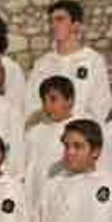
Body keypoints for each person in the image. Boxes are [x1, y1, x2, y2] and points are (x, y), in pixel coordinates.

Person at [25, 0, 112, 122]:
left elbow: (100, 104)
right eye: (51, 21)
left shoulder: (93, 60)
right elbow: (31, 102)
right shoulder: (42, 63)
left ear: (75, 25)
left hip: (81, 132)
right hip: (47, 133)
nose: (54, 25)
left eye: (60, 19)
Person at [24, 76, 76, 204]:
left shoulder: (78, 130)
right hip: (34, 196)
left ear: (69, 100)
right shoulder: (34, 132)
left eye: (53, 99)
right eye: (44, 100)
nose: (47, 105)